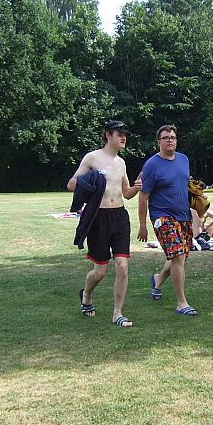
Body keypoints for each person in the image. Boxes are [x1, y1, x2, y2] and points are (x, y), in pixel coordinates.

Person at [67, 120, 141, 327]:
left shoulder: (121, 163)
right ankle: (86, 295)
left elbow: (126, 193)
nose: (124, 138)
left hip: (119, 217)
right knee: (100, 271)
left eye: (125, 134)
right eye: (120, 134)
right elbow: (71, 184)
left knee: (122, 266)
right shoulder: (92, 157)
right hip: (98, 218)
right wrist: (90, 180)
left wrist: (136, 187)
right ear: (108, 135)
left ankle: (118, 313)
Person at [138, 124, 198, 316]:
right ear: (159, 142)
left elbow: (184, 185)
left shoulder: (183, 159)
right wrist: (142, 225)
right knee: (178, 255)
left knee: (180, 255)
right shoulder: (152, 165)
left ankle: (157, 279)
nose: (170, 140)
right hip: (162, 217)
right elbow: (143, 196)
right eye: (166, 138)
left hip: (183, 215)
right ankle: (181, 303)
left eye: (173, 137)